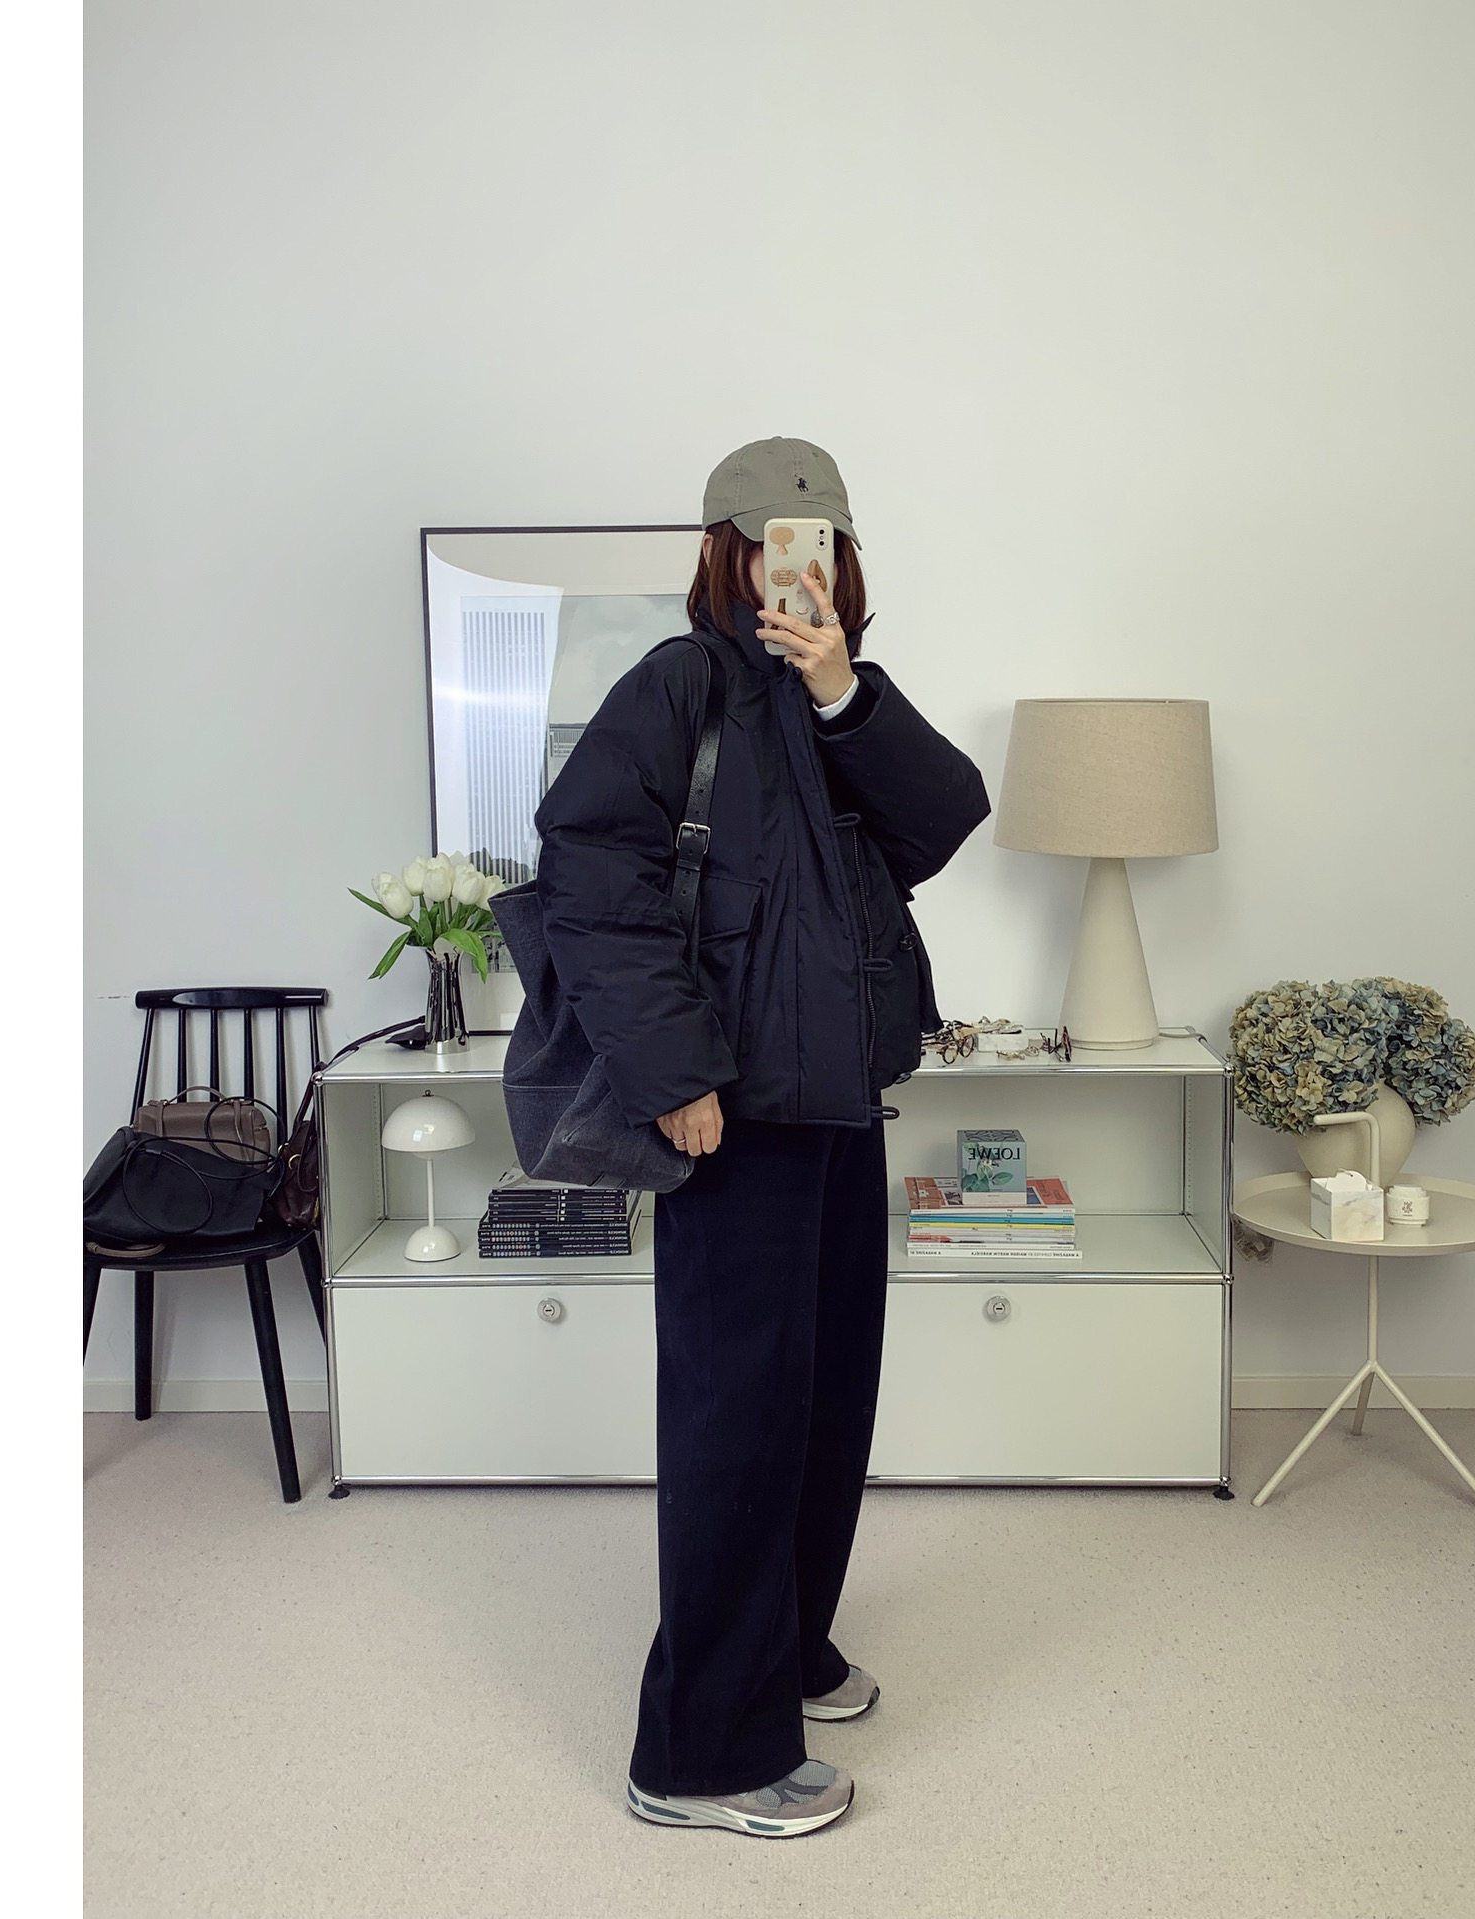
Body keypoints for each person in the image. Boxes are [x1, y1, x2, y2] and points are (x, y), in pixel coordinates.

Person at [530, 437, 991, 1837]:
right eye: (778, 543)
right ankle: (702, 1755)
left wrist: (844, 689)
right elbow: (591, 885)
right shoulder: (679, 687)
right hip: (731, 1112)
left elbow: (945, 819)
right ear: (724, 552)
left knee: (828, 1400)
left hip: (841, 1100)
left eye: (825, 544)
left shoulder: (834, 697)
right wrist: (674, 1072)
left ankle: (787, 1649)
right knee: (737, 1419)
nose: (805, 566)